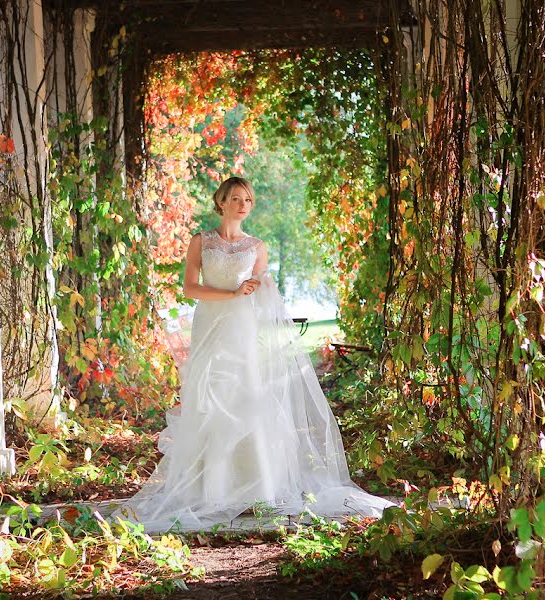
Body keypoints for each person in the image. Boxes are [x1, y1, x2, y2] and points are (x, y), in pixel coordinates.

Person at [111, 176, 395, 532]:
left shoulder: (257, 246)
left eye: (247, 198)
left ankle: (256, 487)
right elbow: (189, 287)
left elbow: (261, 292)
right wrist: (231, 294)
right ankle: (210, 489)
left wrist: (263, 287)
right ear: (222, 202)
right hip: (211, 324)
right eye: (235, 198)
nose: (243, 204)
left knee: (244, 395)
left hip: (241, 329)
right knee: (210, 397)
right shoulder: (201, 241)